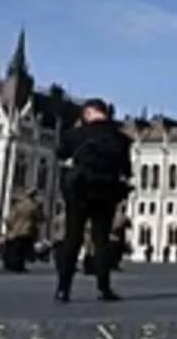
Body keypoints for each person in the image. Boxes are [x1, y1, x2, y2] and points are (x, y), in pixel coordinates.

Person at [54, 98, 133, 303]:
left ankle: (63, 289)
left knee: (73, 238)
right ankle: (103, 288)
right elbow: (127, 170)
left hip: (79, 192)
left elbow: (60, 153)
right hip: (106, 193)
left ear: (88, 113)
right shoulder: (120, 138)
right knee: (101, 241)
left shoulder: (76, 134)